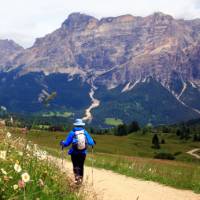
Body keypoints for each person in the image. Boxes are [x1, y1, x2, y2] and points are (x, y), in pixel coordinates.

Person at [60, 118, 95, 184]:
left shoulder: (72, 132)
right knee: (81, 165)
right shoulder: (85, 132)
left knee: (75, 165)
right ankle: (81, 180)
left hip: (74, 152)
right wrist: (93, 142)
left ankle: (77, 178)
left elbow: (67, 143)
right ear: (82, 125)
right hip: (83, 153)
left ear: (75, 125)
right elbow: (90, 142)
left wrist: (62, 143)